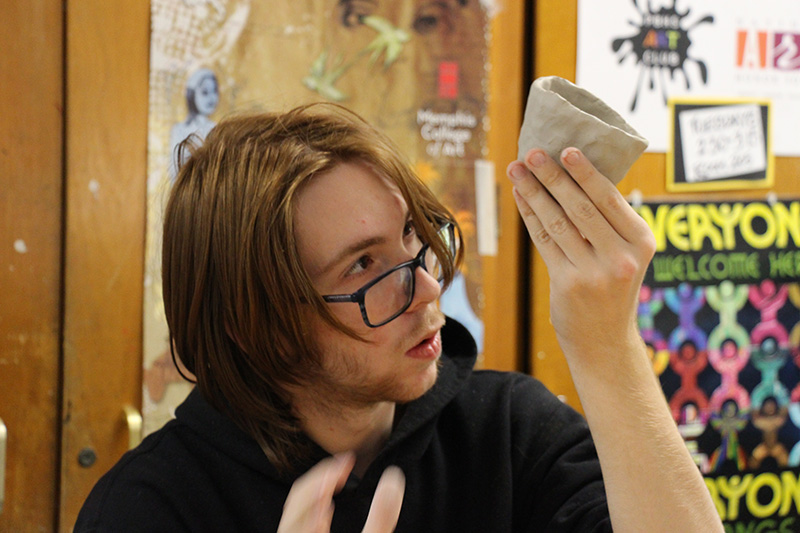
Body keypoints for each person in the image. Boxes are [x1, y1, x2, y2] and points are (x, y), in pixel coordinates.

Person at [75, 103, 723, 532]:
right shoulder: (149, 506)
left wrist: (608, 344)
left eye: (416, 238)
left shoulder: (508, 430)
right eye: (363, 267)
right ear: (258, 323)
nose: (425, 289)